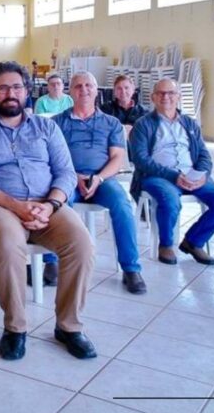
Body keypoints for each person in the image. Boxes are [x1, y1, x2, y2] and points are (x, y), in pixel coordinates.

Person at [0, 61, 97, 361]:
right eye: (4, 87)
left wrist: (49, 205)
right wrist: (17, 207)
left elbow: (66, 173)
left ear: (27, 92)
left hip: (48, 206)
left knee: (82, 243)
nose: (11, 93)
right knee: (9, 243)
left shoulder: (47, 127)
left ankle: (69, 326)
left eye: (17, 87)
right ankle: (16, 328)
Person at [52, 72, 146, 294]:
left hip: (103, 179)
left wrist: (99, 178)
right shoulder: (57, 123)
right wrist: (75, 177)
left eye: (88, 85)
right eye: (78, 86)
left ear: (96, 91)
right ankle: (51, 262)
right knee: (56, 205)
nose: (83, 90)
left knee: (123, 206)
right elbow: (52, 158)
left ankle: (131, 268)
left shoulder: (111, 123)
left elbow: (117, 158)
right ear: (70, 91)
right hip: (68, 177)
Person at [129, 79, 214, 266]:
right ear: (153, 97)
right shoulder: (143, 124)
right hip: (158, 176)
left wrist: (202, 174)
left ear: (178, 97)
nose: (166, 97)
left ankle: (194, 241)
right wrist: (173, 176)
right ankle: (166, 244)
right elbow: (141, 159)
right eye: (161, 93)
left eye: (171, 93)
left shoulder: (189, 124)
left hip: (191, 174)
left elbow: (204, 154)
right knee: (170, 200)